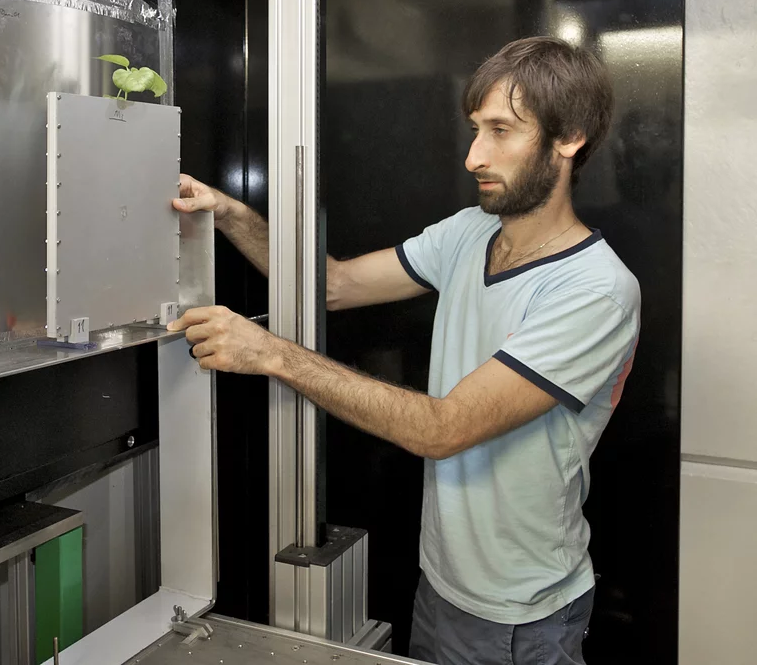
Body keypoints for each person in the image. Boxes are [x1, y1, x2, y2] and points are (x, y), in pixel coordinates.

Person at [168, 37, 640, 665]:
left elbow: (443, 429)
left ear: (569, 137)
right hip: (441, 584)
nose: (475, 155)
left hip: (521, 613)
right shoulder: (470, 233)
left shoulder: (595, 290)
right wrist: (228, 215)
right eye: (475, 129)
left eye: (501, 130)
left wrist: (271, 354)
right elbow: (331, 285)